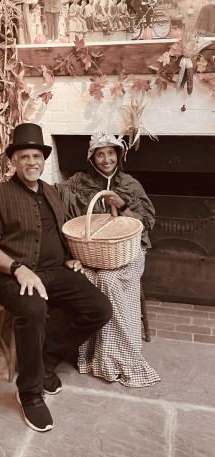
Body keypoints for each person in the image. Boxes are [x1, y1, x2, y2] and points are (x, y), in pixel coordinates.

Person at [0, 123, 112, 433]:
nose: (32, 163)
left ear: (43, 159)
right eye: (24, 156)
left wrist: (70, 258)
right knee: (33, 309)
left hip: (54, 272)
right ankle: (30, 393)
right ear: (13, 161)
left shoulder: (52, 191)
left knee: (100, 308)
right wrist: (17, 268)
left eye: (37, 156)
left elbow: (54, 233)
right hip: (10, 276)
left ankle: (43, 360)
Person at [56, 132, 161, 388]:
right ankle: (92, 356)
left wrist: (121, 204)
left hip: (128, 253)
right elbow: (57, 204)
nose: (106, 159)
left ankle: (118, 355)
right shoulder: (78, 184)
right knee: (90, 276)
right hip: (92, 254)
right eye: (100, 154)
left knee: (110, 280)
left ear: (119, 155)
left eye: (111, 153)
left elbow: (145, 225)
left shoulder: (130, 184)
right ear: (92, 158)